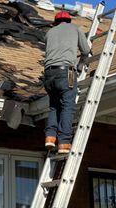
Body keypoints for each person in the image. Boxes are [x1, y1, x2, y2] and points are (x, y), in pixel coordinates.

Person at [44, 11, 90, 153]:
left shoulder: (49, 33)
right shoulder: (75, 28)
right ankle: (64, 142)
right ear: (69, 20)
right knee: (68, 106)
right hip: (67, 72)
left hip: (48, 73)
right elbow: (86, 50)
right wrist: (81, 62)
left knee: (54, 106)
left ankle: (50, 137)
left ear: (56, 22)